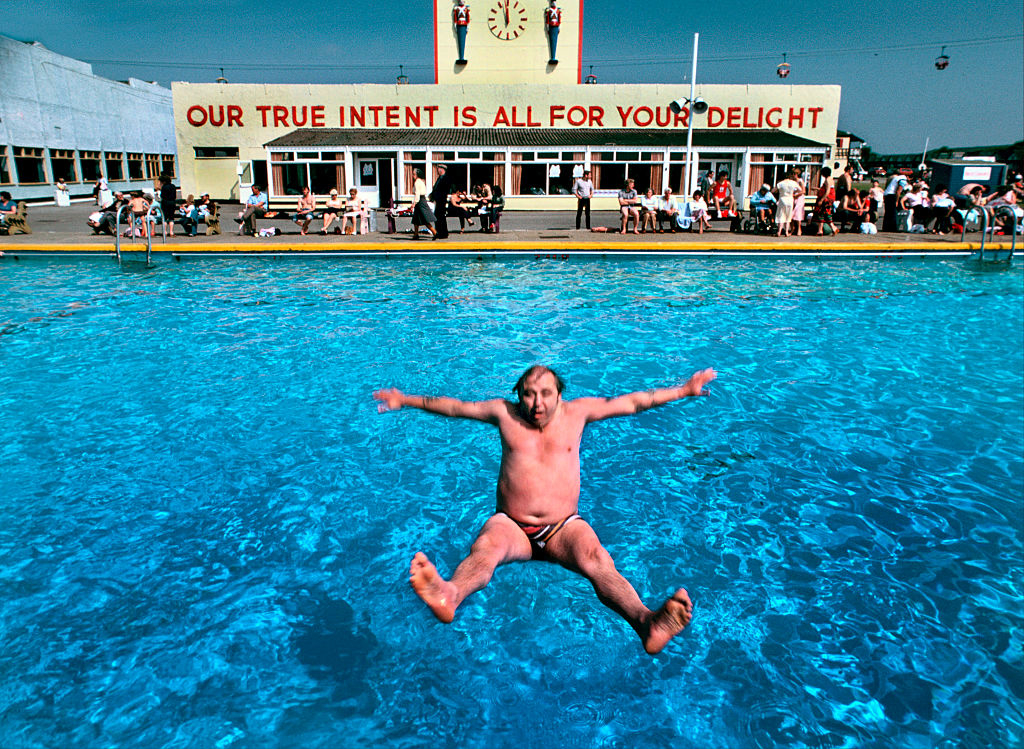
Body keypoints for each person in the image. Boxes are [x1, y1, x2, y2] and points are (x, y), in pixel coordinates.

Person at [373, 364, 717, 654]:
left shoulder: (579, 413)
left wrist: (684, 390)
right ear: (518, 394)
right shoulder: (503, 414)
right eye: (528, 394)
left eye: (545, 394)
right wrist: (405, 400)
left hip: (563, 527)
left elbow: (633, 403)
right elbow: (454, 407)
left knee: (596, 559)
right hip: (512, 524)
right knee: (487, 548)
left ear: (559, 394)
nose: (536, 404)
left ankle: (647, 623)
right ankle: (450, 594)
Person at [411, 168, 437, 239]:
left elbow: (417, 194)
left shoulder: (417, 182)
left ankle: (435, 232)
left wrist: (414, 204)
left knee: (425, 219)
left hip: (420, 201)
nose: (413, 176)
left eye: (414, 174)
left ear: (417, 175)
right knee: (416, 219)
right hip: (421, 200)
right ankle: (416, 234)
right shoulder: (421, 182)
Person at [774, 170, 802, 237]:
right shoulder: (793, 183)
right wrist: (794, 194)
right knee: (788, 216)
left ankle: (779, 231)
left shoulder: (780, 183)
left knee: (781, 215)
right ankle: (786, 232)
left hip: (782, 199)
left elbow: (773, 190)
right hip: (790, 200)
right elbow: (800, 190)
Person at [813, 166, 837, 236]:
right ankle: (830, 228)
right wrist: (818, 189)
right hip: (830, 199)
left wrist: (821, 200)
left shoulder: (827, 180)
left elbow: (827, 191)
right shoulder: (831, 179)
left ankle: (822, 230)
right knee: (825, 214)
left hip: (826, 199)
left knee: (820, 213)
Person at [430, 164, 451, 239]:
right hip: (438, 200)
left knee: (440, 216)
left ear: (442, 169)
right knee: (438, 216)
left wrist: (437, 195)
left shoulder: (445, 178)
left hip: (441, 200)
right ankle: (440, 232)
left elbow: (444, 190)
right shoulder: (440, 178)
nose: (437, 171)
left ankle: (443, 233)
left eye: (438, 169)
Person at [791, 167, 807, 236]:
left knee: (797, 213)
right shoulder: (792, 181)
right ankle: (792, 229)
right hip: (793, 198)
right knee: (791, 214)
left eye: (794, 174)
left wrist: (796, 195)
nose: (793, 175)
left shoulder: (800, 181)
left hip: (799, 198)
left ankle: (799, 229)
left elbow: (803, 191)